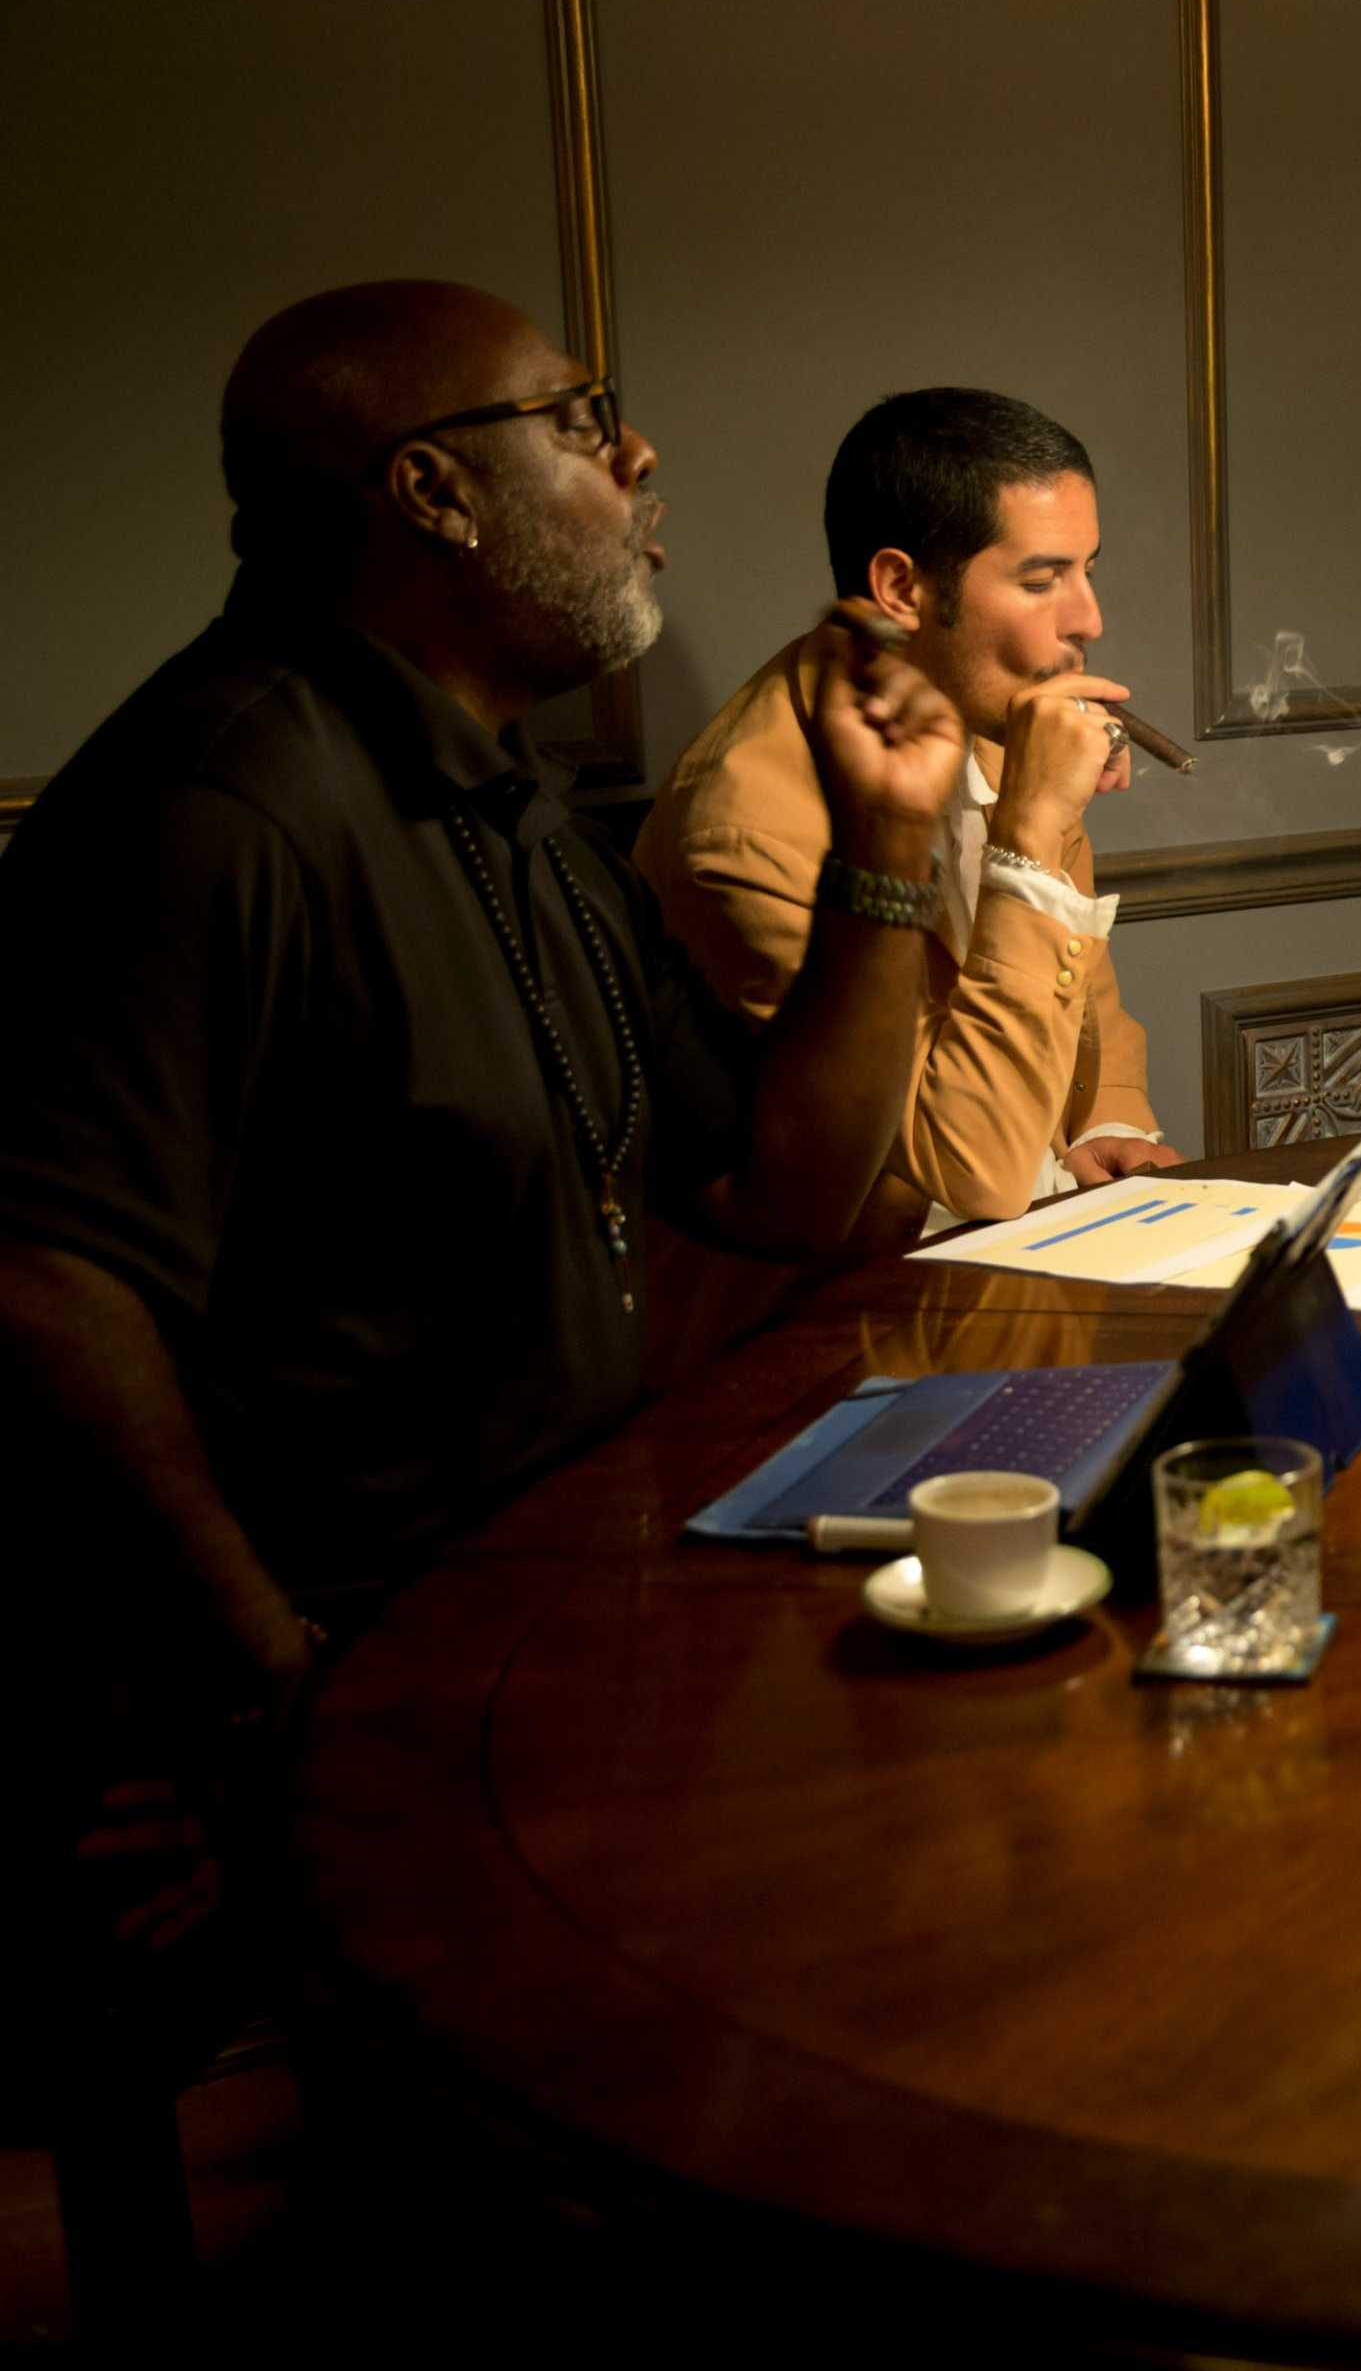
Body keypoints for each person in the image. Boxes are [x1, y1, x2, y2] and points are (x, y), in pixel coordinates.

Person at [0, 282, 964, 2077]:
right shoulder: (227, 796)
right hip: (373, 1688)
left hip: (559, 1633)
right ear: (433, 493)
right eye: (583, 417)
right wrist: (274, 1685)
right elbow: (44, 1281)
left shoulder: (505, 806)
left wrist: (891, 841)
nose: (639, 451)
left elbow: (783, 1184)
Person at [639, 387, 1176, 1228]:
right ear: (900, 587)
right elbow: (975, 1173)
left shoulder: (998, 714)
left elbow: (1081, 996)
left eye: (1088, 568)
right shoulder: (745, 835)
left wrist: (1107, 1118)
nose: (1091, 618)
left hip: (1029, 1248)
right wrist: (1030, 833)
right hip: (849, 1318)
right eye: (1042, 580)